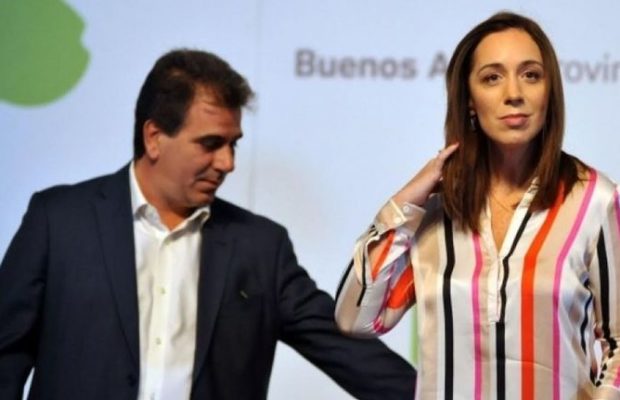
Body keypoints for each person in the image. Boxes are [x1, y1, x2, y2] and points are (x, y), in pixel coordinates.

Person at [0, 49, 415, 400]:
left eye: (233, 144)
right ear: (154, 137)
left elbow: (347, 351)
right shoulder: (58, 220)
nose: (227, 163)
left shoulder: (260, 247)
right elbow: (6, 351)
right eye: (211, 144)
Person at [335, 11, 620, 400]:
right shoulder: (433, 212)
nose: (514, 93)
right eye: (492, 78)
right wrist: (405, 201)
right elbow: (355, 318)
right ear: (469, 100)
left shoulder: (594, 200)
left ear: (549, 91)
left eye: (531, 75)